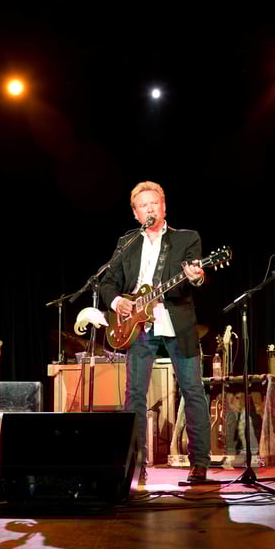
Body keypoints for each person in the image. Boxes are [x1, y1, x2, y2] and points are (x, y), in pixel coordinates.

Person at [99, 181, 211, 484]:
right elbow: (107, 283)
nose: (150, 209)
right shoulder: (128, 242)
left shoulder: (187, 238)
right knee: (134, 395)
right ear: (136, 214)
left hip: (176, 323)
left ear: (164, 207)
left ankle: (199, 462)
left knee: (192, 391)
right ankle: (137, 464)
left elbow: (194, 279)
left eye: (155, 203)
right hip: (137, 326)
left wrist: (196, 277)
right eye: (143, 206)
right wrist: (118, 300)